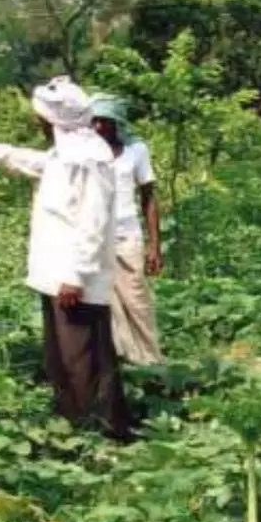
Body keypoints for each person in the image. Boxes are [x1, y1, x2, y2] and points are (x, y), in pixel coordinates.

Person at [0, 78, 131, 440]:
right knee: (62, 358)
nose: (36, 124)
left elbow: (93, 223)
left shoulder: (89, 163)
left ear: (55, 122)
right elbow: (20, 158)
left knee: (82, 358)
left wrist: (75, 276)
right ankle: (76, 425)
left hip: (75, 280)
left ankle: (99, 432)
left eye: (40, 118)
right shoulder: (62, 157)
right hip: (57, 276)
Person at [86, 94, 163, 366]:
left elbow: (149, 197)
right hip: (95, 237)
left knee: (136, 299)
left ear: (117, 123)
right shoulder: (85, 152)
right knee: (105, 302)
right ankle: (122, 359)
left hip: (126, 235)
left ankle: (151, 361)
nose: (98, 128)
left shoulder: (135, 150)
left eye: (104, 122)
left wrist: (154, 245)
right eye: (93, 121)